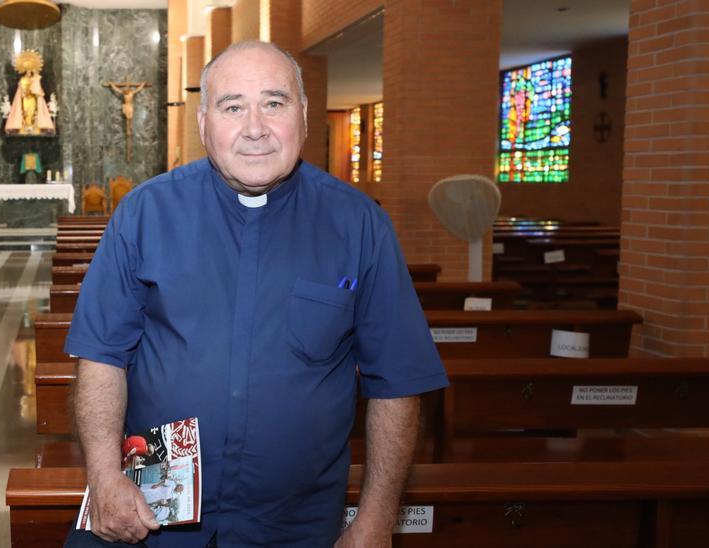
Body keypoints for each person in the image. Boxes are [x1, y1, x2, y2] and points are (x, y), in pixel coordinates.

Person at [64, 41, 448, 547]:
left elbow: (396, 381)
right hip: (152, 510)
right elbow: (101, 356)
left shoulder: (359, 225)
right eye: (232, 107)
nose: (255, 128)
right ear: (203, 123)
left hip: (294, 522)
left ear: (304, 115)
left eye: (274, 103)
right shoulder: (145, 214)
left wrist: (377, 517)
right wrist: (104, 475)